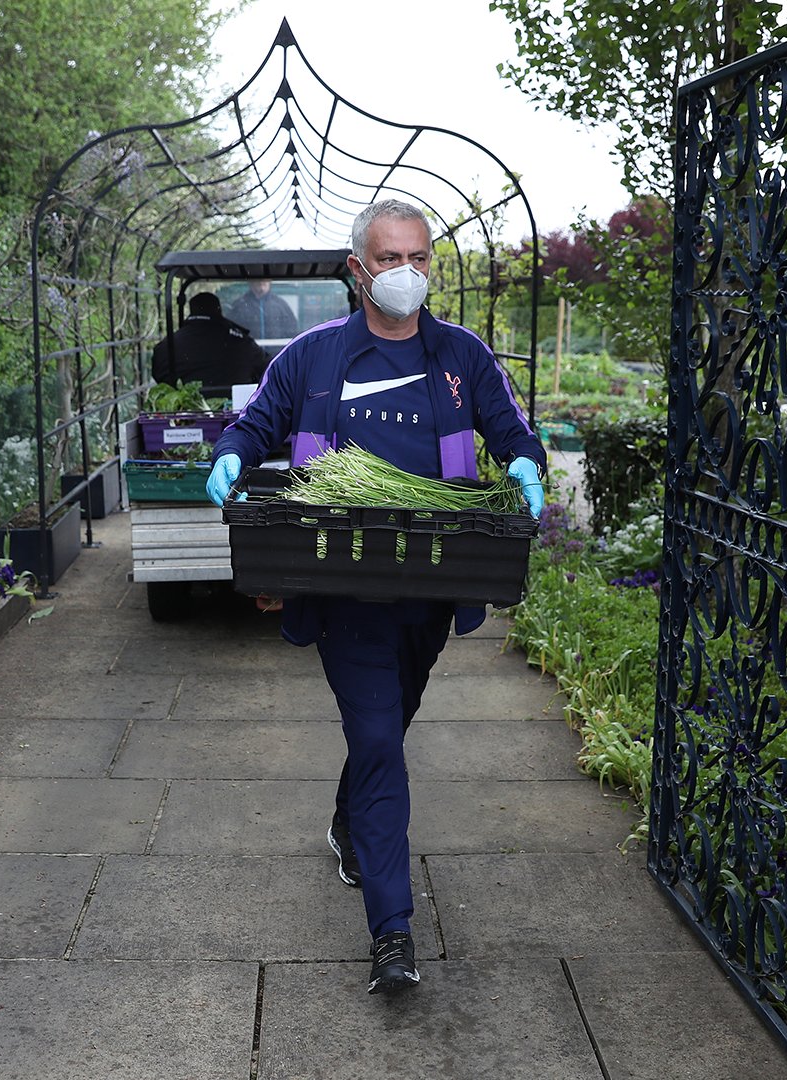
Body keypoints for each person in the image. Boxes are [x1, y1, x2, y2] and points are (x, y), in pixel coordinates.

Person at [206, 199, 546, 996]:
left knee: (387, 726)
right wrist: (228, 457)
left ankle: (347, 820)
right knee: (383, 741)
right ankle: (392, 933)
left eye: (420, 259)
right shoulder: (312, 356)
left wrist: (527, 466)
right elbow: (253, 427)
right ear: (358, 270)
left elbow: (510, 431)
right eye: (390, 259)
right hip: (343, 583)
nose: (407, 274)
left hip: (431, 585)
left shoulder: (462, 355)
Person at [149, 291, 268, 396]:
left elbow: (160, 378)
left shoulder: (166, 347)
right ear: (219, 310)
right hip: (236, 413)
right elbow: (265, 368)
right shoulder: (242, 342)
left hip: (183, 416)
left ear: (191, 310)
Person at [226, 278, 299, 341]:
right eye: (257, 279)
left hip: (275, 355)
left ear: (270, 281)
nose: (261, 282)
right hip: (249, 355)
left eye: (265, 279)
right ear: (250, 282)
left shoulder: (281, 305)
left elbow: (292, 332)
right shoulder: (238, 306)